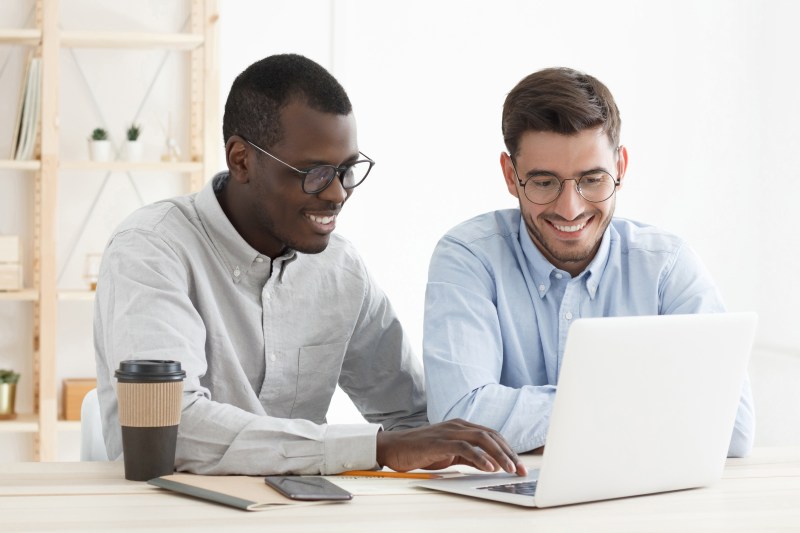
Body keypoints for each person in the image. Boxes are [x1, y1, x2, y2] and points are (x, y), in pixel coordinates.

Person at [94, 54, 525, 477]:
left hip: (300, 515)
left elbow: (411, 417)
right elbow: (175, 428)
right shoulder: (151, 250)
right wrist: (375, 448)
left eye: (347, 170)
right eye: (315, 173)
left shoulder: (340, 269)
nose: (338, 193)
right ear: (241, 160)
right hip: (170, 517)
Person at [422, 67, 754, 458]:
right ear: (511, 176)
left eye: (593, 179)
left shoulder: (666, 266)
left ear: (621, 167)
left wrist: (539, 417)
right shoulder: (469, 257)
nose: (570, 208)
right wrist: (647, 406)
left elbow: (731, 427)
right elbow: (460, 418)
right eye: (544, 182)